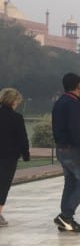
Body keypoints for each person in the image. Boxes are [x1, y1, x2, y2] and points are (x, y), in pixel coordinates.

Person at [51, 73, 80, 232]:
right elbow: (76, 129)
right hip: (73, 149)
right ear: (78, 85)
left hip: (62, 148)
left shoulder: (60, 102)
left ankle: (66, 220)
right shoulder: (73, 103)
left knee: (70, 183)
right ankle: (66, 216)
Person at [0, 88, 30, 226]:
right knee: (3, 184)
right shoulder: (16, 118)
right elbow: (22, 138)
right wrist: (26, 155)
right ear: (14, 101)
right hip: (9, 156)